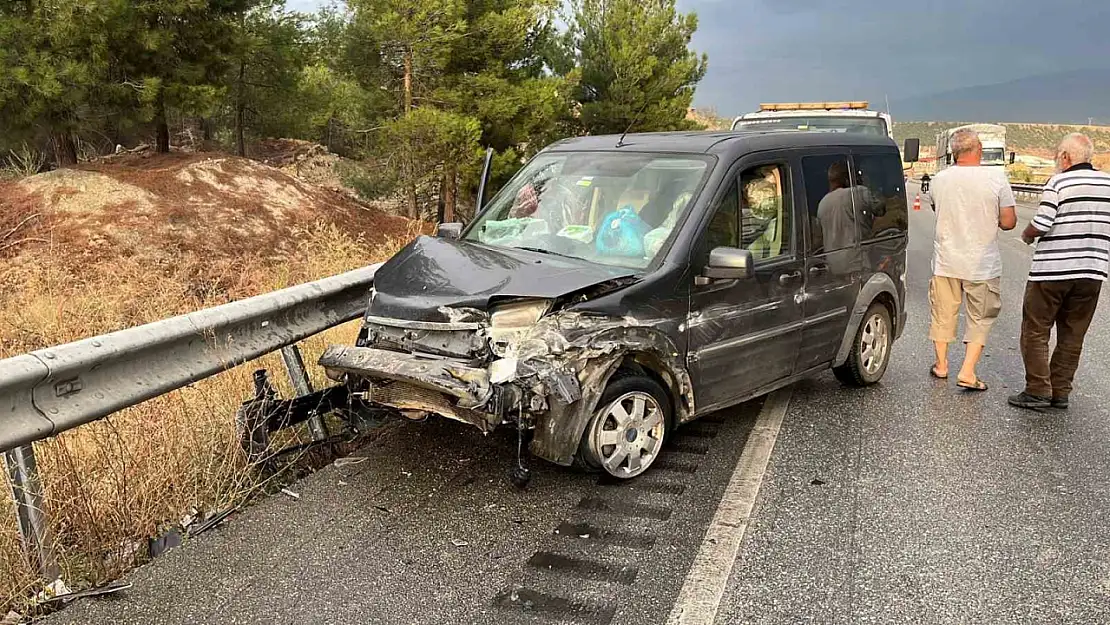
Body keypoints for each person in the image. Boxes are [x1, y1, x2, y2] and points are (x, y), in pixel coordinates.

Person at [1008, 134, 1110, 410]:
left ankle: (1038, 389)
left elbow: (1042, 222)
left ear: (1065, 156)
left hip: (1052, 272)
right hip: (1092, 272)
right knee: (1073, 334)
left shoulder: (1059, 182)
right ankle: (1061, 391)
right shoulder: (1107, 182)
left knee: (1036, 329)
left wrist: (1027, 235)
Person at [925, 129, 1017, 390]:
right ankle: (967, 370)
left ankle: (941, 365)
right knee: (980, 317)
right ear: (979, 149)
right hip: (982, 263)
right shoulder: (996, 178)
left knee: (943, 314)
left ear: (953, 152)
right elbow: (1009, 222)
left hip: (945, 261)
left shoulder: (939, 179)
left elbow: (935, 208)